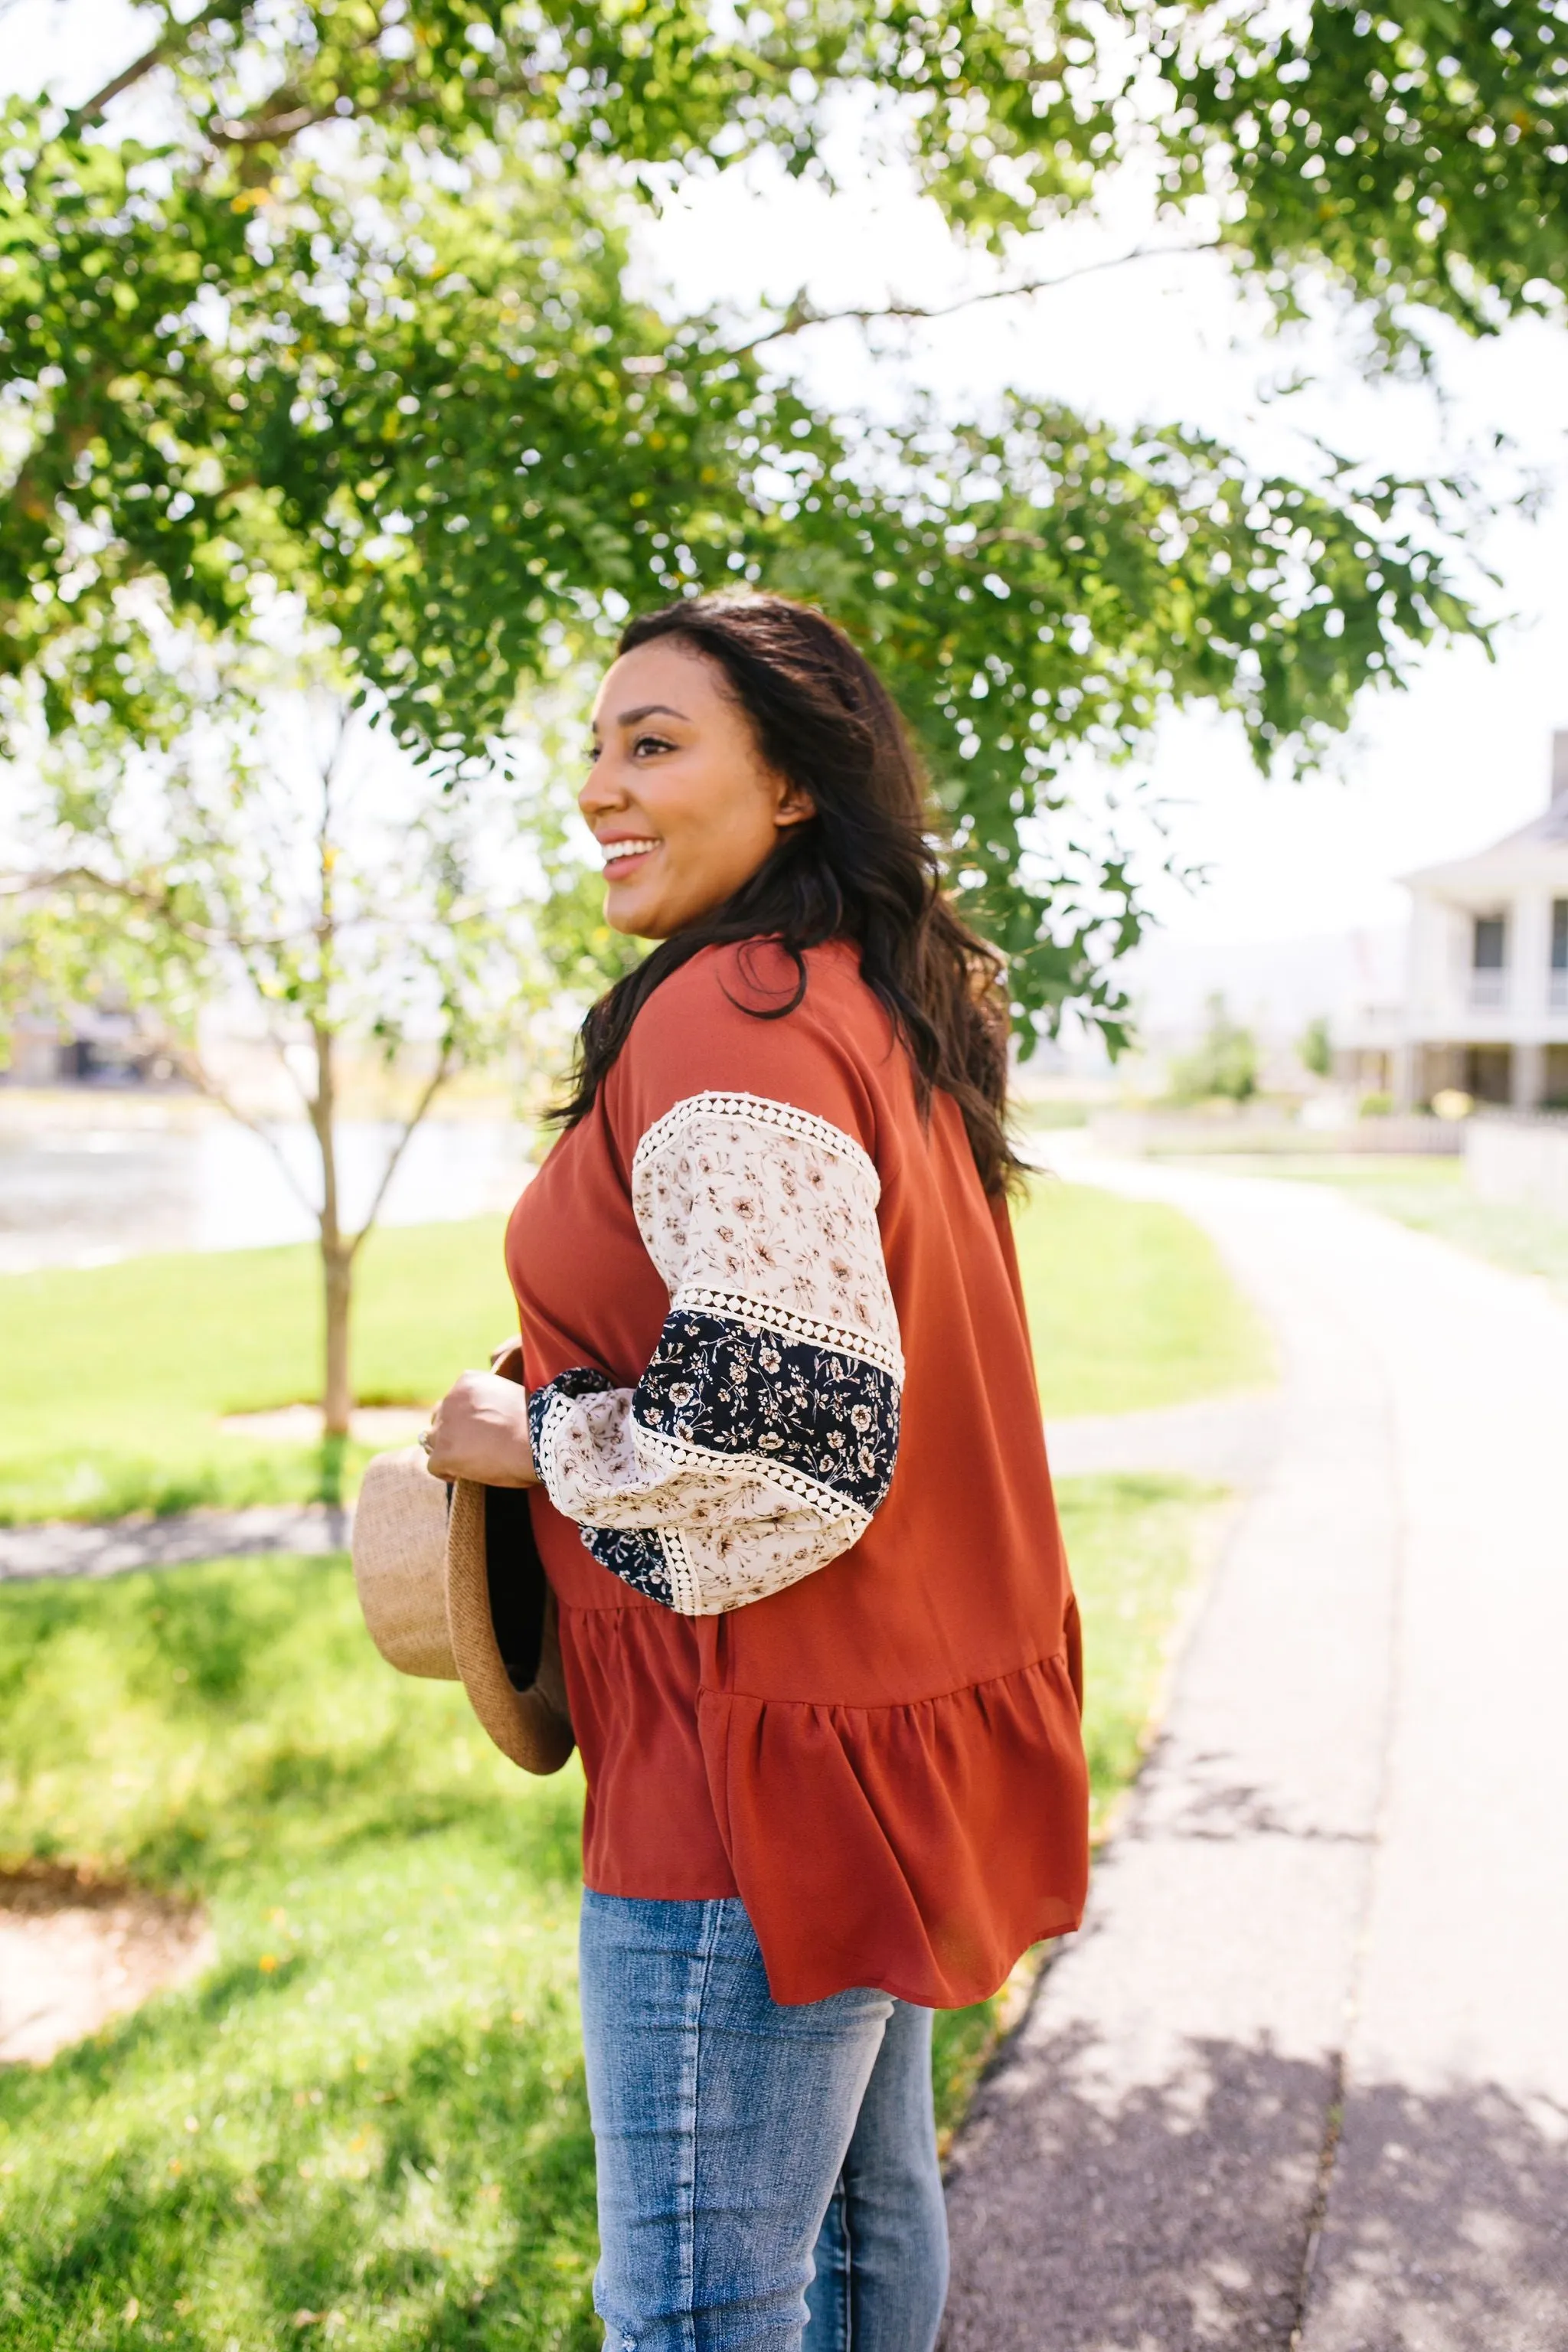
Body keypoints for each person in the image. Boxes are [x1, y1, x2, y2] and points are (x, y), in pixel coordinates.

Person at [424, 594, 1089, 2352]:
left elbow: (771, 1453)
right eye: (595, 747)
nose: (598, 787)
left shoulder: (730, 1015)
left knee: (699, 2311)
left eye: (654, 743)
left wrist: (532, 1439)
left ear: (793, 783)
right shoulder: (876, 1007)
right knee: (865, 2258)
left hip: (748, 1775)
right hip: (873, 1734)